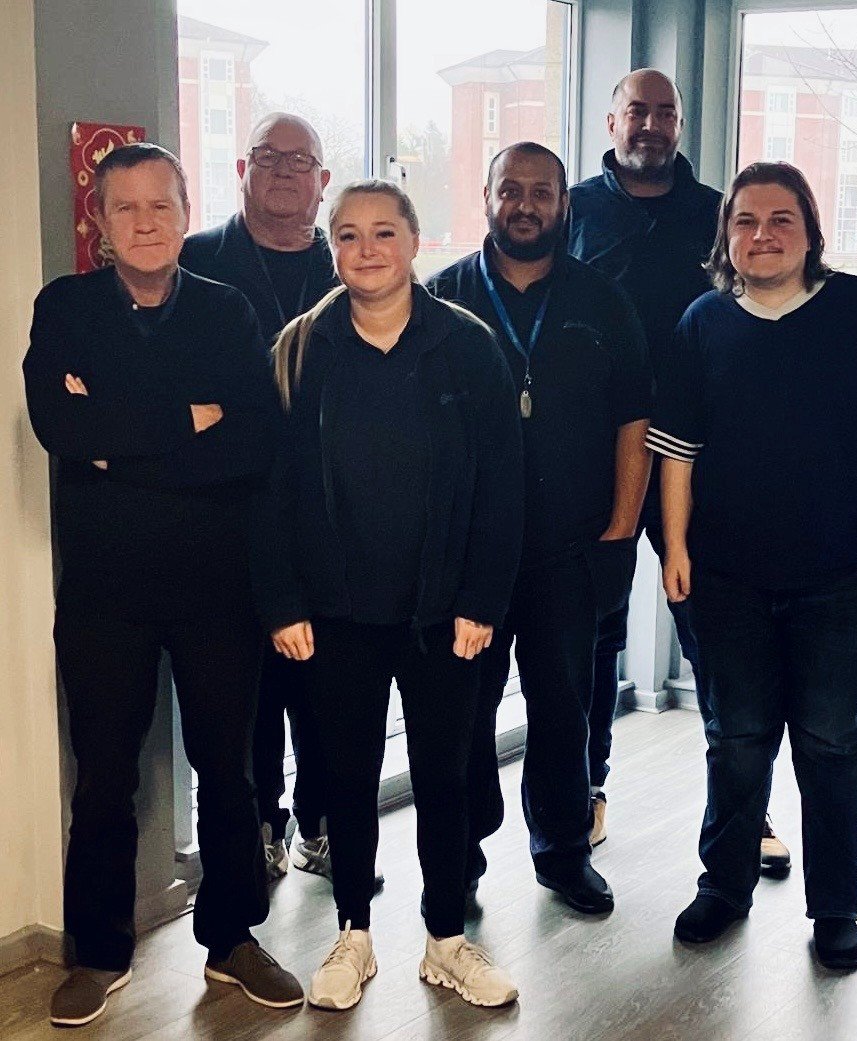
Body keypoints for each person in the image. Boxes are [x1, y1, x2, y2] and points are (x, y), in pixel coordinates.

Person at [23, 143, 303, 1026]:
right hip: (104, 595)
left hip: (217, 590)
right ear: (100, 224)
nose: (146, 223)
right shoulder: (65, 308)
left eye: (162, 205)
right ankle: (99, 951)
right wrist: (188, 419)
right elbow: (61, 427)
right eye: (126, 208)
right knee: (104, 776)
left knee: (230, 772)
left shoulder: (226, 310)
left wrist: (121, 442)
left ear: (186, 212)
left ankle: (233, 939)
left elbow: (253, 441)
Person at [649, 161, 857, 969]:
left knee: (831, 742)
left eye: (782, 218)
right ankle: (724, 885)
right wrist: (676, 547)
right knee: (736, 739)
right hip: (726, 580)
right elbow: (678, 454)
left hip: (842, 578)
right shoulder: (702, 323)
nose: (763, 234)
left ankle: (836, 908)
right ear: (726, 237)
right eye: (745, 220)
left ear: (812, 231)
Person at [251, 180, 523, 1010]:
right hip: (336, 615)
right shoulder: (299, 349)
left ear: (412, 241)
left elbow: (503, 484)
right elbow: (269, 490)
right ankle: (354, 934)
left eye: (382, 232)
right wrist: (282, 602)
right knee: (346, 775)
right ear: (332, 247)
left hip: (443, 614)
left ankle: (446, 939)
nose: (365, 250)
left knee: (445, 774)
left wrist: (482, 598)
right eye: (347, 235)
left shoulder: (468, 345)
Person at [569, 68, 791, 871]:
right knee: (594, 632)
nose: (651, 124)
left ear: (680, 124)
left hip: (698, 456)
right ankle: (585, 791)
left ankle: (745, 808)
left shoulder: (717, 215)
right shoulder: (573, 210)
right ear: (612, 121)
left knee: (715, 631)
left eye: (666, 112)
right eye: (638, 110)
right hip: (594, 454)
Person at [429, 143, 653, 915]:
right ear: (486, 196)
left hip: (571, 548)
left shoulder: (603, 300)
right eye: (511, 189)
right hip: (470, 561)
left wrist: (620, 533)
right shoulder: (442, 299)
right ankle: (458, 861)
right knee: (465, 714)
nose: (526, 204)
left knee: (563, 709)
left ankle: (563, 853)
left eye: (542, 192)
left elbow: (634, 422)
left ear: (565, 203)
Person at [181, 112, 342, 884]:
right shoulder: (195, 262)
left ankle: (321, 821)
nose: (282, 170)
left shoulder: (350, 268)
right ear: (242, 170)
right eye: (267, 156)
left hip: (328, 516)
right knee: (247, 693)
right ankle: (263, 826)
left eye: (298, 160)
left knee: (325, 684)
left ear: (323, 181)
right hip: (227, 514)